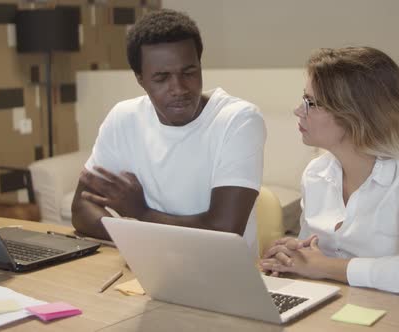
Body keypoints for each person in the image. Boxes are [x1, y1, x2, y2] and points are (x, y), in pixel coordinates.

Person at [260, 47, 399, 298]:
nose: (298, 110)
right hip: (332, 309)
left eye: (311, 103)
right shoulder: (316, 174)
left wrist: (323, 266)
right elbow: (310, 254)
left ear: (356, 115)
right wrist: (293, 254)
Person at [71, 9, 265, 252]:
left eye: (189, 72)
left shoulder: (238, 120)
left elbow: (223, 232)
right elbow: (81, 207)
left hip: (220, 274)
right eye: (162, 78)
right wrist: (140, 238)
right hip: (146, 265)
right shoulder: (124, 118)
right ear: (140, 79)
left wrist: (140, 213)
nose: (179, 88)